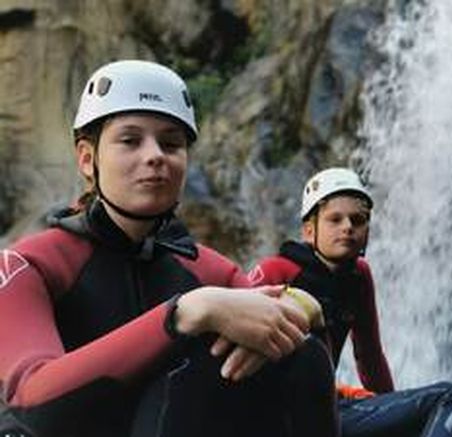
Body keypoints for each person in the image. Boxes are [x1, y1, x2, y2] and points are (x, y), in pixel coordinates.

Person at [0, 59, 339, 437]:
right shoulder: (28, 264)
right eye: (130, 140)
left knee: (300, 355)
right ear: (86, 158)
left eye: (171, 142)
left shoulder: (215, 273)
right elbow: (32, 401)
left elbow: (300, 356)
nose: (155, 155)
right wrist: (184, 313)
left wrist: (303, 308)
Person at [249, 167, 452, 437]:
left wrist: (391, 408)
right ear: (309, 231)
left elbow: (369, 356)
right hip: (276, 419)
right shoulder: (278, 270)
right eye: (335, 219)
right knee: (451, 398)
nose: (348, 227)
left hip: (326, 415)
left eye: (358, 220)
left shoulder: (359, 276)